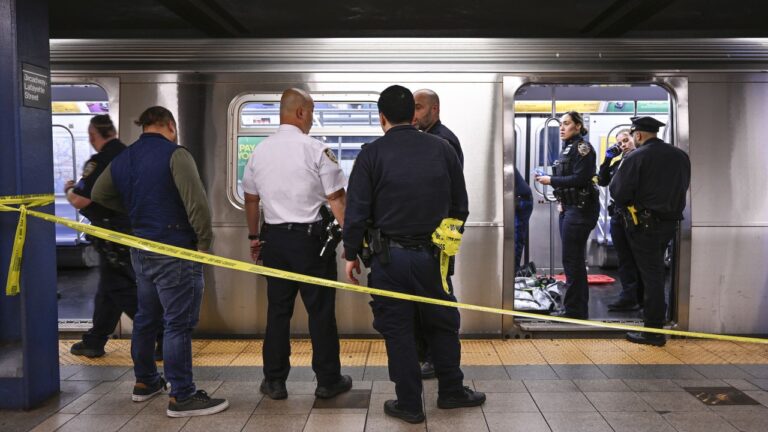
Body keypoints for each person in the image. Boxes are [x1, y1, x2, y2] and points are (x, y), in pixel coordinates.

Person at [343, 85, 485, 424]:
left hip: (388, 259)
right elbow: (460, 207)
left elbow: (357, 212)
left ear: (382, 118)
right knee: (442, 324)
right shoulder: (443, 149)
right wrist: (444, 248)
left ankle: (409, 403)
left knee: (399, 329)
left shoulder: (370, 155)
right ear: (413, 114)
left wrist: (351, 253)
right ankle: (451, 391)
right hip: (433, 258)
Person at [92, 106, 228, 417]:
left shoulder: (124, 157)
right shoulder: (175, 155)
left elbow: (100, 193)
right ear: (170, 125)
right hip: (176, 249)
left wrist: (137, 210)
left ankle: (146, 382)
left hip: (141, 248)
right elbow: (197, 204)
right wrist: (204, 245)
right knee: (177, 324)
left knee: (146, 318)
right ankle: (182, 395)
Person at [241, 88, 352, 401]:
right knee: (320, 311)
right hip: (311, 242)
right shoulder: (316, 150)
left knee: (278, 312)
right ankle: (328, 380)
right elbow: (337, 200)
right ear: (301, 112)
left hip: (274, 240)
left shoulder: (259, 151)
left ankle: (274, 381)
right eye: (312, 111)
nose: (312, 119)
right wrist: (353, 245)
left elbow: (251, 199)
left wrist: (254, 237)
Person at [610, 116, 690, 347]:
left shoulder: (637, 156)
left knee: (651, 275)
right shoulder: (680, 155)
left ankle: (653, 330)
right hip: (669, 224)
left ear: (638, 135)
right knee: (655, 272)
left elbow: (618, 192)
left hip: (644, 225)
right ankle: (656, 318)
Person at [412, 88, 464, 379]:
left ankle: (437, 359)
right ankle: (427, 355)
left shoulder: (442, 141)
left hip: (438, 237)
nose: (414, 114)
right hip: (433, 236)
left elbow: (445, 195)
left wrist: (444, 241)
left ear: (435, 109)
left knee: (437, 299)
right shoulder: (427, 138)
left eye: (419, 107)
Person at [535, 111, 599, 319]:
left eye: (567, 123)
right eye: (561, 124)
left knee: (573, 261)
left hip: (580, 211)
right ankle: (574, 307)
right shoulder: (568, 149)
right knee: (571, 260)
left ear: (578, 126)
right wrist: (563, 200)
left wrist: (550, 181)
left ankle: (575, 311)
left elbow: (581, 179)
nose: (562, 128)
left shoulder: (583, 149)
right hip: (570, 208)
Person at [598, 129, 644, 312]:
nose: (624, 145)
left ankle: (641, 297)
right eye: (620, 143)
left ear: (635, 139)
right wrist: (608, 159)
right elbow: (602, 180)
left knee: (638, 258)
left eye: (626, 140)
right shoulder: (619, 163)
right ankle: (629, 296)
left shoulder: (641, 160)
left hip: (634, 216)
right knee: (624, 258)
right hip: (618, 216)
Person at [514, 167, 534, 273]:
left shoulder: (501, 161)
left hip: (521, 201)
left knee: (516, 238)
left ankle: (514, 271)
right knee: (516, 238)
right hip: (520, 199)